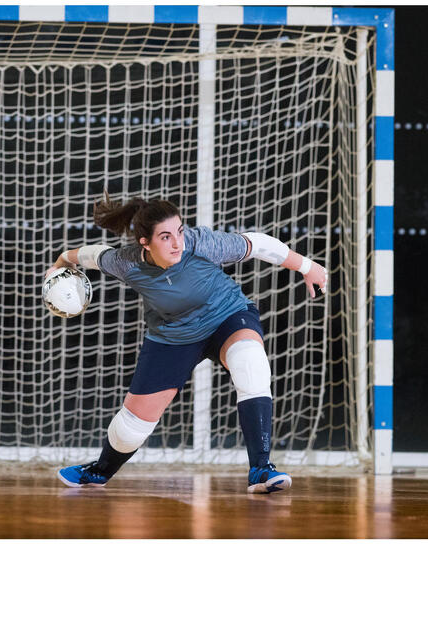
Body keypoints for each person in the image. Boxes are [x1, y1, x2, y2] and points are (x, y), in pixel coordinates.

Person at [45, 193, 328, 494]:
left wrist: (307, 266)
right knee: (132, 427)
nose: (178, 243)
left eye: (179, 231)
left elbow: (257, 244)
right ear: (145, 243)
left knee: (250, 361)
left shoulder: (200, 244)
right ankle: (98, 472)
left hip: (226, 316)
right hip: (173, 335)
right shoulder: (126, 263)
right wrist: (61, 261)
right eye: (166, 237)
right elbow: (91, 255)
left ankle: (261, 469)